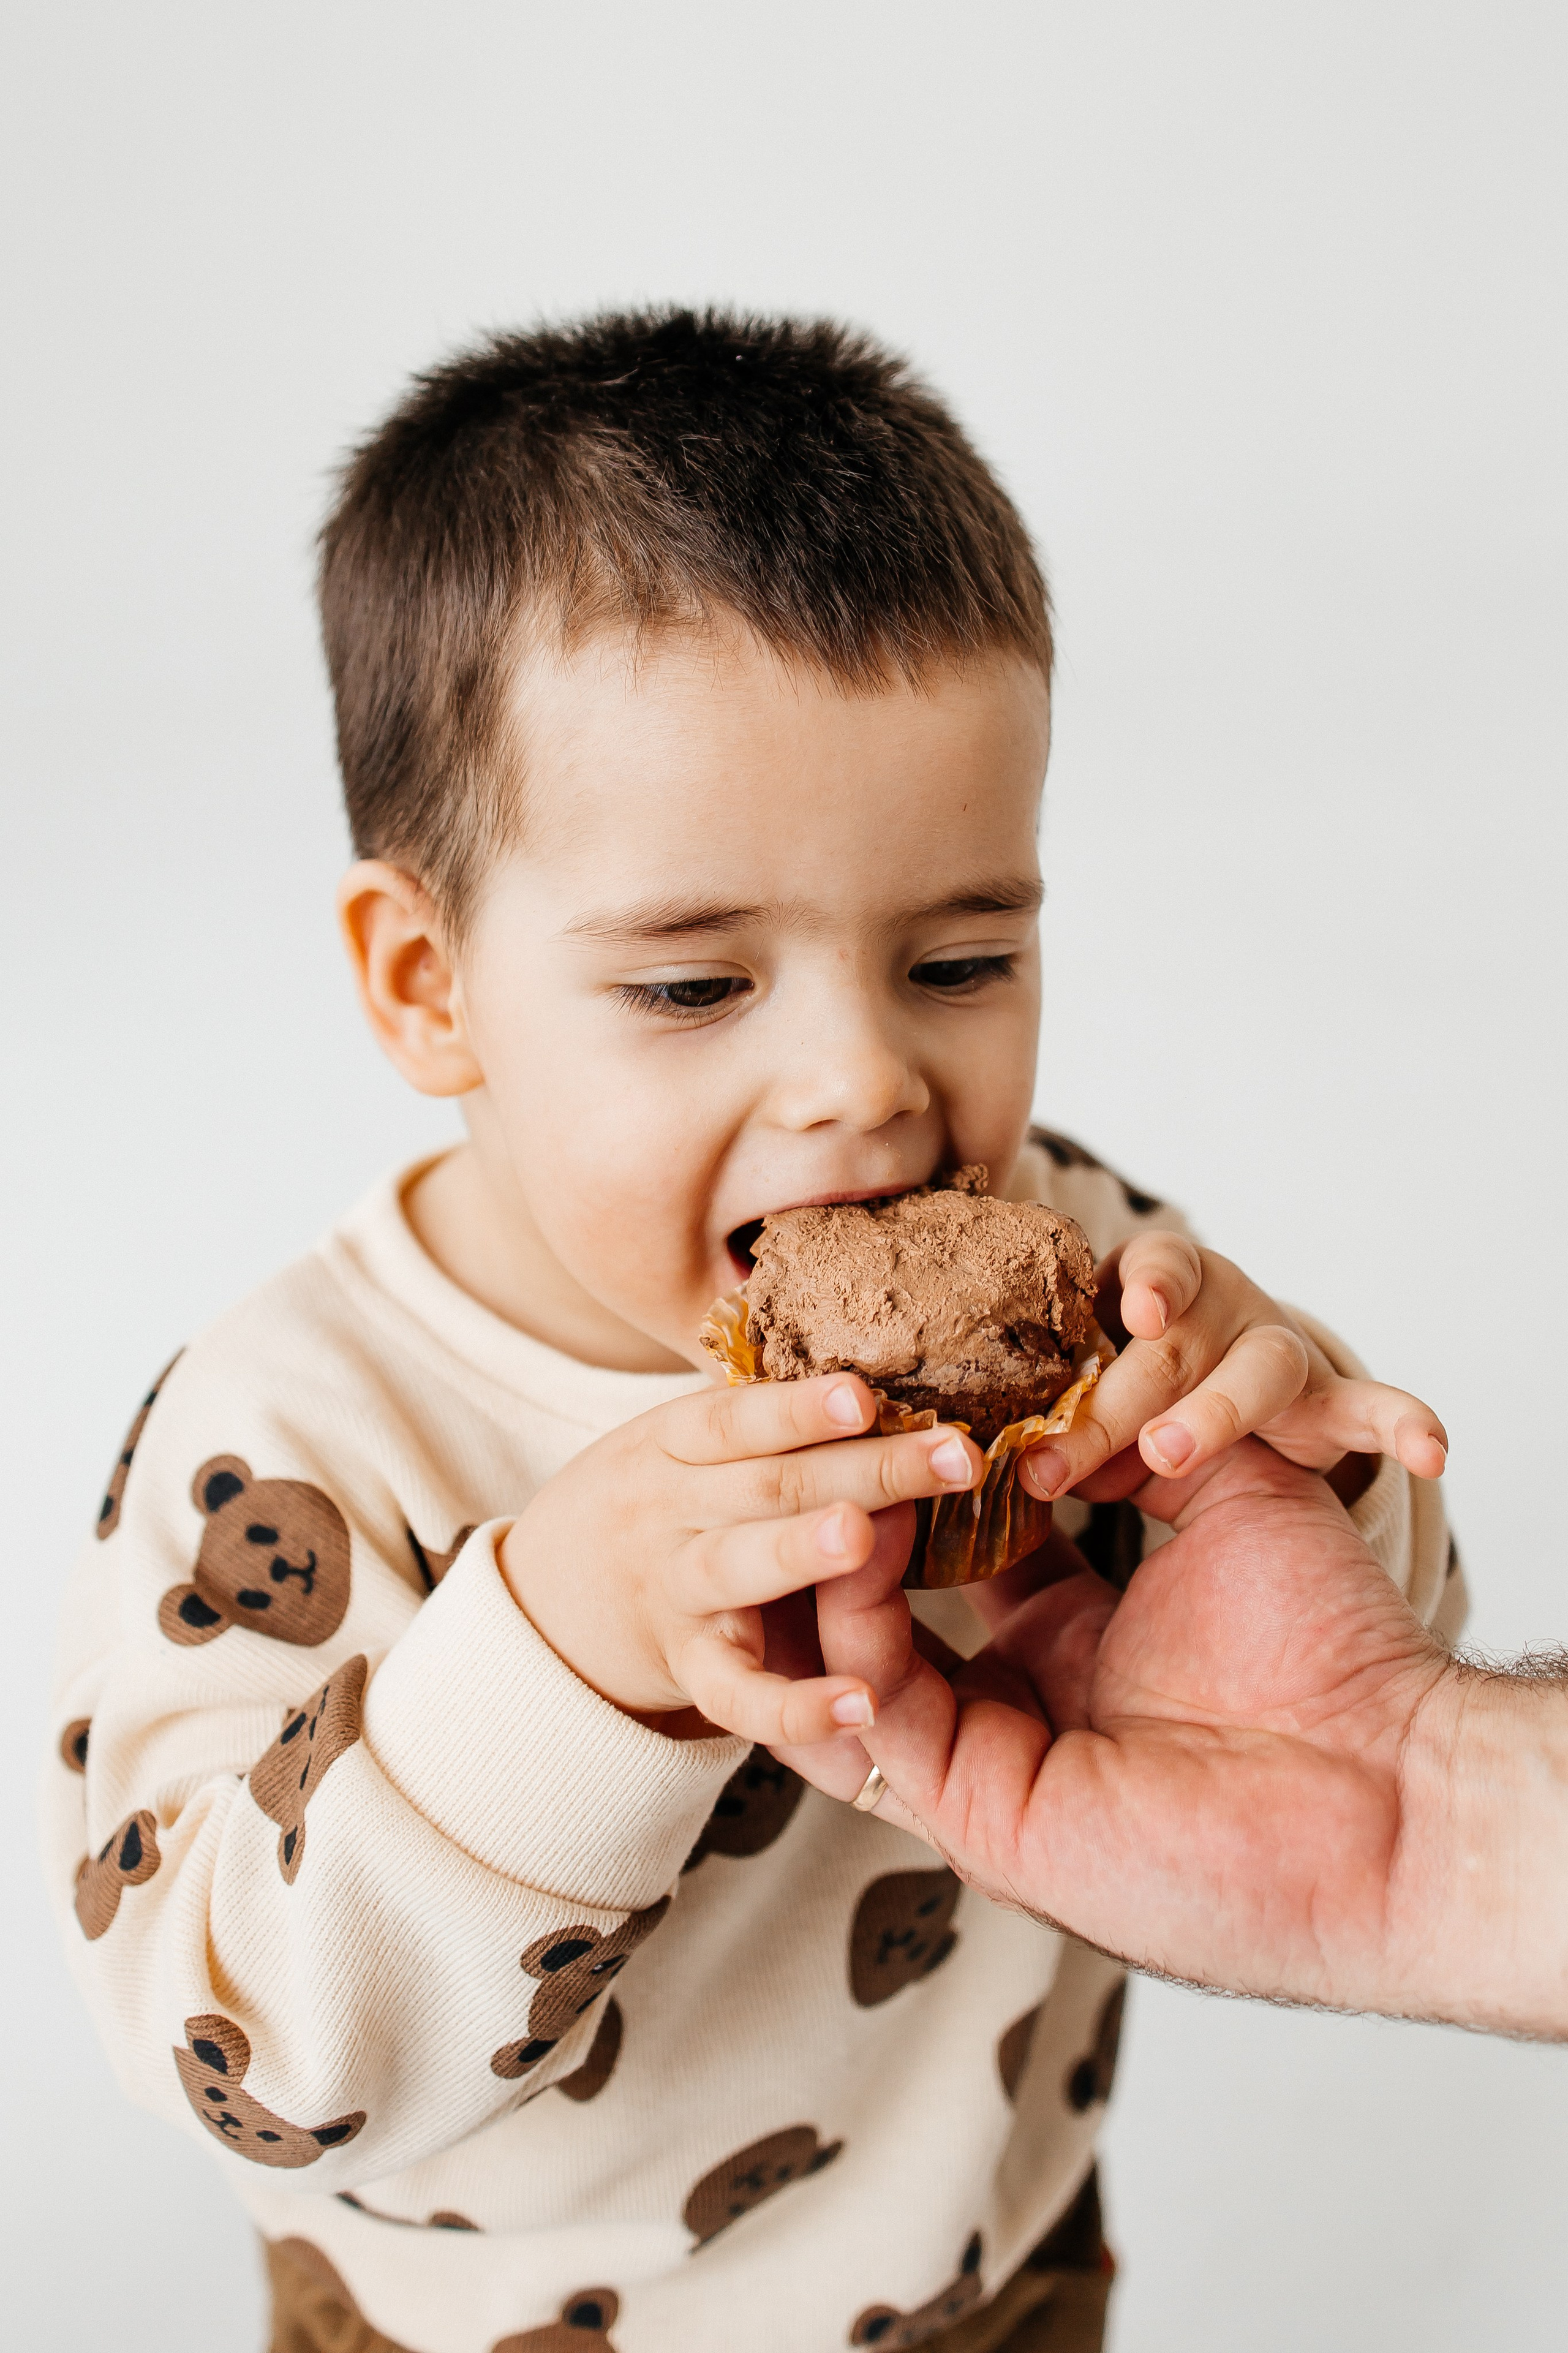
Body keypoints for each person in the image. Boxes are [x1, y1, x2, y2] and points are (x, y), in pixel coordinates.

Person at [44, 310, 1453, 2353]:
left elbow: (1324, 1711)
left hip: (991, 2274)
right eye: (699, 988)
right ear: (428, 979)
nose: (863, 1085)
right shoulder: (299, 1439)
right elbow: (236, 2052)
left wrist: (1283, 1476)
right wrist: (567, 1654)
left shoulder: (1082, 1272)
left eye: (960, 955)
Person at [804, 1427, 1568, 2044]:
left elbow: (1425, 1616)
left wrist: (1316, 1465)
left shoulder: (1103, 1263)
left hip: (1038, 2201)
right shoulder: (683, 1527)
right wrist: (679, 1708)